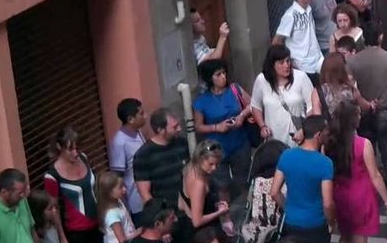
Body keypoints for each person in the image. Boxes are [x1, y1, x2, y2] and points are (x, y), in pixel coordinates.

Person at [324, 101, 387, 243]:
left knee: (344, 238)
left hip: (340, 194)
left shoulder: (329, 144)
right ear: (353, 120)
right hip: (360, 196)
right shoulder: (363, 144)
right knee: (360, 241)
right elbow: (375, 175)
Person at [270, 114, 336, 243]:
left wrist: (288, 208)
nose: (327, 136)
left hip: (291, 225)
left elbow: (274, 191)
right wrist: (331, 222)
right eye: (326, 133)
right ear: (318, 135)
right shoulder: (325, 164)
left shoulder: (287, 156)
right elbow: (328, 202)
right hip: (315, 227)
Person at [193, 59, 253, 192]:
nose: (223, 77)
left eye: (224, 73)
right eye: (218, 74)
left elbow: (251, 105)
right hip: (216, 148)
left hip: (239, 143)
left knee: (244, 179)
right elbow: (198, 127)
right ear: (210, 78)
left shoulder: (234, 89)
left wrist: (241, 116)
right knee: (221, 185)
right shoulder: (202, 101)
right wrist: (217, 127)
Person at [251, 44, 321, 144]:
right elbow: (255, 106)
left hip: (297, 139)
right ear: (272, 65)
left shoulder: (301, 77)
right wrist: (262, 126)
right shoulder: (261, 80)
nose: (286, 65)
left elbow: (312, 106)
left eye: (288, 61)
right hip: (274, 141)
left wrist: (304, 129)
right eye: (281, 62)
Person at [179, 140, 230, 243]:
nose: (214, 168)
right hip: (203, 235)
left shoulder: (188, 169)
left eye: (217, 164)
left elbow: (181, 204)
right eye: (211, 164)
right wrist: (220, 211)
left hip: (189, 228)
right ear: (201, 158)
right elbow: (197, 221)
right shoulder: (199, 183)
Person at [133, 109, 189, 215]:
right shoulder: (144, 155)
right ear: (160, 130)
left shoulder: (182, 144)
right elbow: (146, 195)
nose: (179, 129)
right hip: (168, 214)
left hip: (190, 209)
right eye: (174, 127)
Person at [273, 0, 325, 79]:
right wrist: (288, 61)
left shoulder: (309, 9)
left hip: (317, 59)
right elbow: (277, 41)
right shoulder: (290, 15)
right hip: (301, 64)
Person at [110, 98, 147, 224]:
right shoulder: (119, 142)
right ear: (131, 119)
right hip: (135, 202)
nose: (145, 116)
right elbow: (117, 176)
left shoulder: (138, 133)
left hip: (146, 195)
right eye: (141, 114)